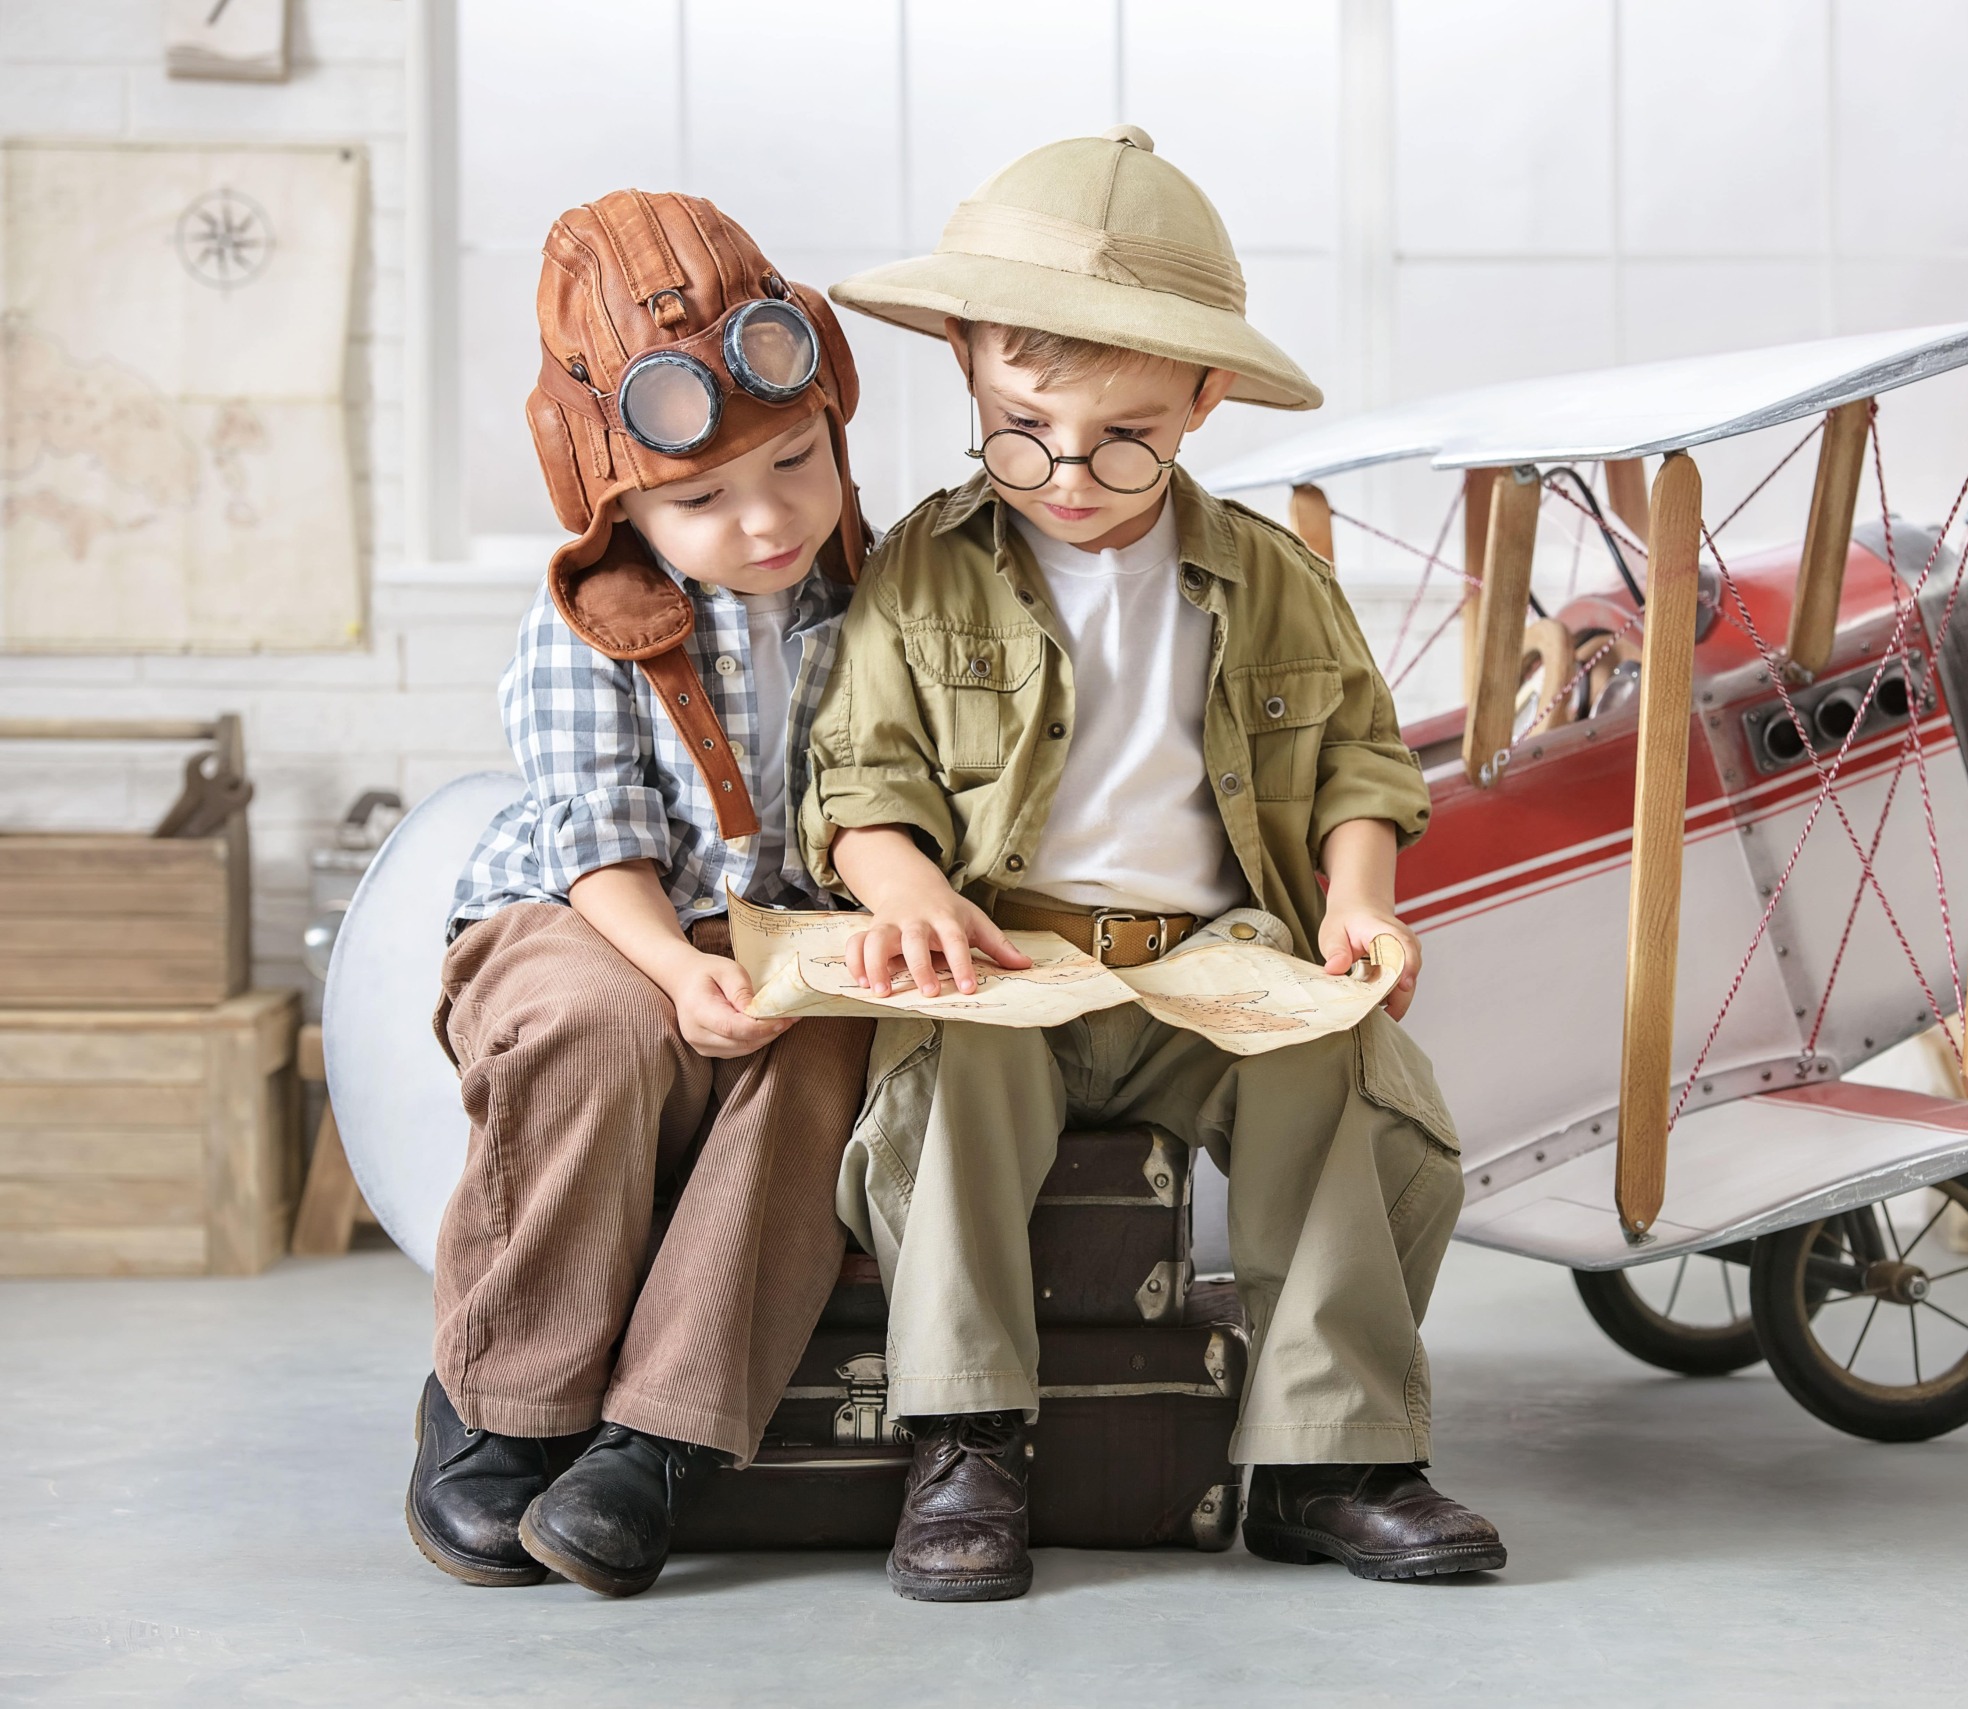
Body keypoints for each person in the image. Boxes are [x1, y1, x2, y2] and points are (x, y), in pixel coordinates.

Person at [807, 127, 1503, 1603]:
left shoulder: (1272, 579)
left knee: (1344, 1080)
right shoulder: (921, 572)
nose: (1067, 474)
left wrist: (1361, 896)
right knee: (960, 1067)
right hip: (1014, 949)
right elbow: (861, 778)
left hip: (1213, 958)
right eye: (1021, 426)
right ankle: (967, 1438)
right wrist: (907, 887)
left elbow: (1360, 765)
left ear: (1205, 397)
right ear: (971, 372)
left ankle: (1329, 1456)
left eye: (1125, 434)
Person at [410, 190, 874, 1599]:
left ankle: (655, 1439)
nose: (767, 517)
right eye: (702, 499)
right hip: (588, 909)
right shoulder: (587, 624)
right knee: (592, 1034)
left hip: (784, 921)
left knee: (828, 1045)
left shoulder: (876, 590)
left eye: (798, 462)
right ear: (618, 500)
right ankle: (499, 1395)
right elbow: (597, 844)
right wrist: (675, 973)